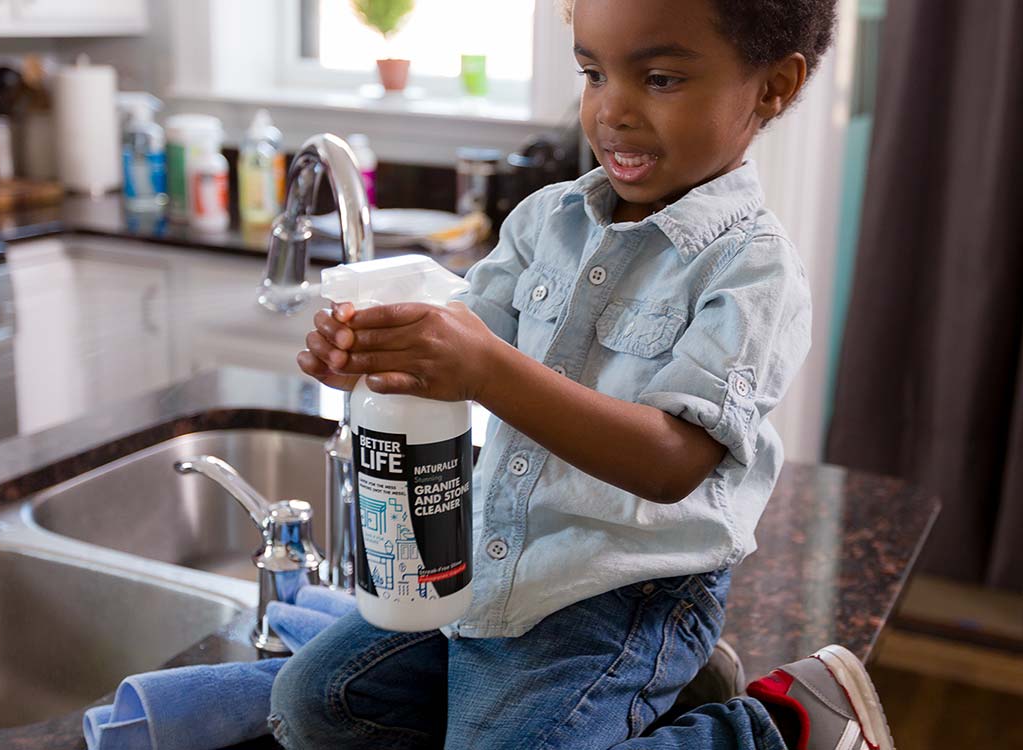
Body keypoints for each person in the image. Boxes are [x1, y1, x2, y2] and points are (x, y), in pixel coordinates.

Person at [274, 0, 891, 747]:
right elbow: (462, 345)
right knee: (314, 701)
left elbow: (672, 463)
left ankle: (778, 726)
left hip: (630, 590)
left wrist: (484, 368)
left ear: (773, 87)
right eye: (593, 73)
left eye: (660, 78)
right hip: (506, 557)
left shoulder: (752, 270)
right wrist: (379, 357)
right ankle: (659, 695)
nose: (612, 111)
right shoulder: (546, 221)